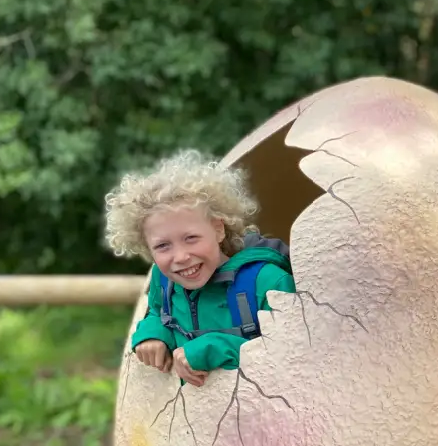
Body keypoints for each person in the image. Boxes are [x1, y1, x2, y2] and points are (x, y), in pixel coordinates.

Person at [104, 150, 295, 387]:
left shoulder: (267, 281)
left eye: (191, 238)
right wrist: (153, 333)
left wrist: (213, 348)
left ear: (218, 229)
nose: (181, 257)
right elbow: (156, 312)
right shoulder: (163, 280)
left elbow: (294, 351)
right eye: (163, 246)